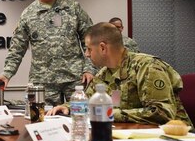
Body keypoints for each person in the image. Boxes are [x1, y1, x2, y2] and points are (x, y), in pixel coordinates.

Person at [50, 23, 192, 126]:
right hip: (132, 137)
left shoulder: (147, 67)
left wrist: (107, 113)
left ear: (102, 48)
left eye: (88, 49)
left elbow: (161, 113)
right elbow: (87, 101)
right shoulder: (104, 74)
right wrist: (68, 107)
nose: (86, 54)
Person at [0, 0, 96, 106]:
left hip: (75, 79)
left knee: (80, 118)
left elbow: (91, 39)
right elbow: (17, 49)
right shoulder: (28, 14)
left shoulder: (72, 7)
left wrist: (89, 68)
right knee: (43, 121)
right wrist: (6, 74)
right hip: (43, 82)